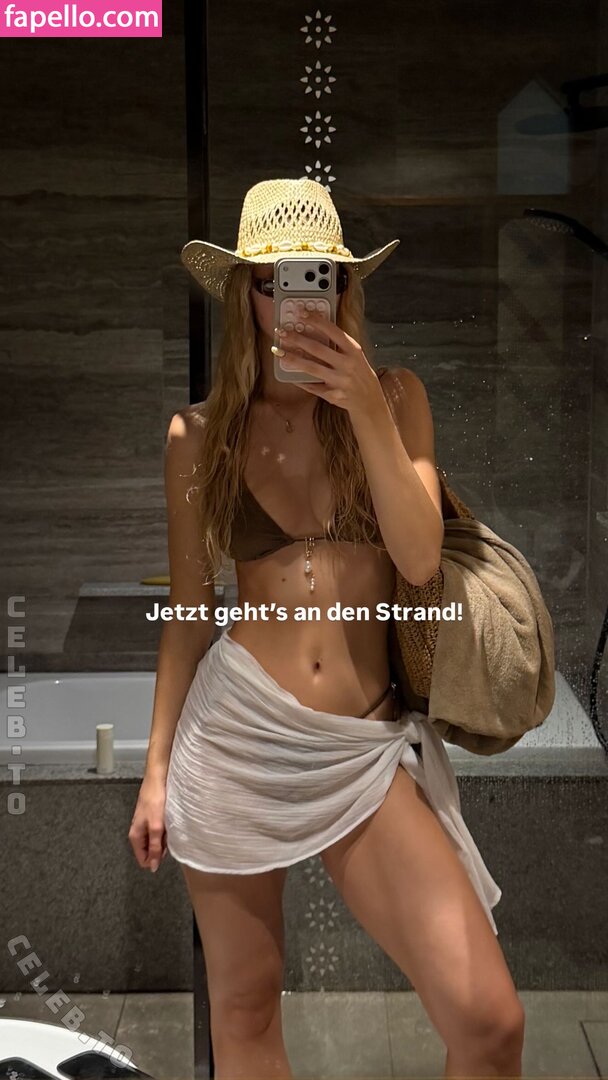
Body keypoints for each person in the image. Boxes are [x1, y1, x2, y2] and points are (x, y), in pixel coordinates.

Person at [128, 178, 525, 1079]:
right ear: (247, 294)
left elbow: (418, 560)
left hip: (360, 749)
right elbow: (189, 614)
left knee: (489, 1023)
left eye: (319, 278)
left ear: (345, 289)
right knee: (244, 1010)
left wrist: (367, 410)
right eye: (276, 281)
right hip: (236, 739)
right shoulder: (200, 435)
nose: (297, 300)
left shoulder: (395, 398)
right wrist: (154, 773)